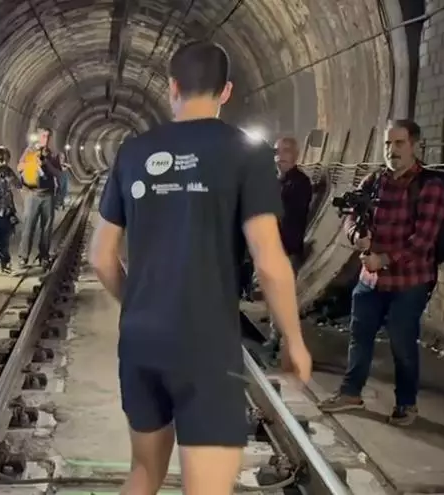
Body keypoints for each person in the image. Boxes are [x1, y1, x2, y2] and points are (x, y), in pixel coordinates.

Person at [88, 40, 312, 495]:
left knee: (143, 474)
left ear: (172, 87)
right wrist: (292, 338)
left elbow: (101, 257)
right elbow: (269, 259)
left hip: (141, 341)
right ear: (226, 91)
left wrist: (138, 305)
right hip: (206, 344)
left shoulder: (133, 152)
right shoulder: (246, 154)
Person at [317, 119, 444, 426]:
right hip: (370, 280)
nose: (392, 150)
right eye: (388, 144)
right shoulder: (374, 180)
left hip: (409, 281)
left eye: (399, 143)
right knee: (359, 336)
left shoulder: (430, 188)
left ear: (415, 145)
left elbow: (422, 242)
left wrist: (385, 259)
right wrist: (355, 237)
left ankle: (406, 404)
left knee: (402, 344)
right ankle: (351, 394)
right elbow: (351, 216)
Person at [263, 136, 313, 359]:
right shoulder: (277, 181)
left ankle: (286, 344)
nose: (279, 156)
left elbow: (287, 214)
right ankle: (276, 339)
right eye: (277, 151)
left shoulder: (299, 182)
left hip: (287, 249)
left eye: (285, 151)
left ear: (295, 155)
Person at [17, 127, 62, 270]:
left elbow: (58, 174)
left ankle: (44, 256)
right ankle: (23, 257)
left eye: (48, 136)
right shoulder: (30, 151)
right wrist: (33, 163)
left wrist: (47, 163)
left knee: (46, 228)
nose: (46, 139)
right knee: (29, 225)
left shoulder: (53, 155)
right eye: (43, 136)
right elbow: (19, 167)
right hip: (32, 194)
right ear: (38, 137)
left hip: (48, 194)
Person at [0, 146, 19, 273]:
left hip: (6, 211)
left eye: (5, 158)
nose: (3, 161)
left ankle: (5, 264)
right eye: (0, 158)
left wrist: (9, 173)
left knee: (4, 240)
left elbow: (18, 185)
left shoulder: (8, 171)